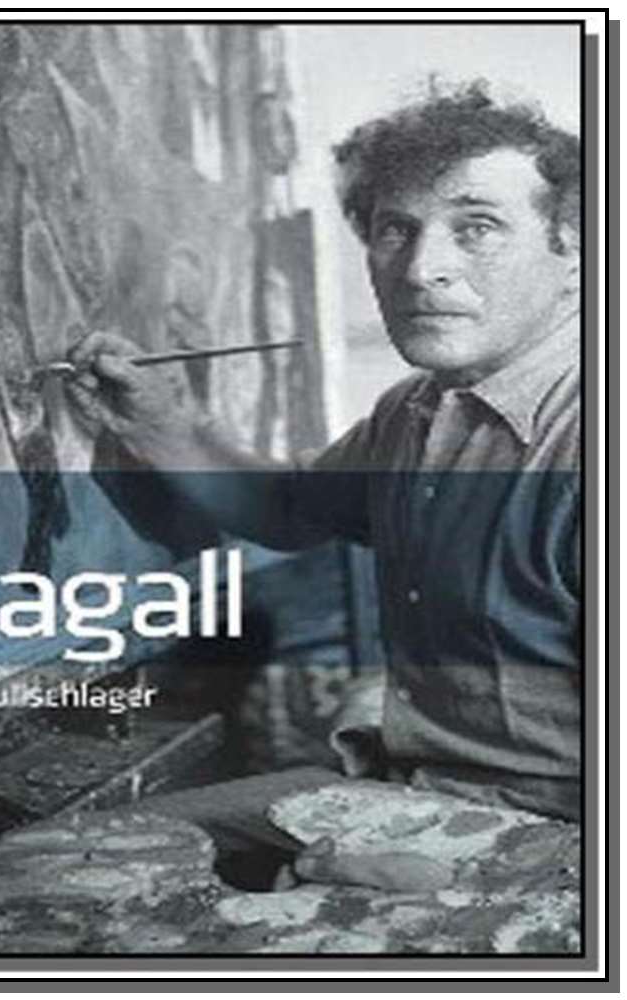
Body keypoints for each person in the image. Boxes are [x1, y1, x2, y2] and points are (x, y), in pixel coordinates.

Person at [65, 83, 581, 889]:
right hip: (409, 794)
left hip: (557, 849)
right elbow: (286, 510)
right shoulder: (415, 410)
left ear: (574, 251)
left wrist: (470, 888)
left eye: (476, 228)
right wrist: (163, 422)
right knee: (77, 857)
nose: (423, 269)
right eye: (394, 230)